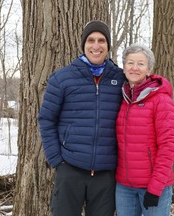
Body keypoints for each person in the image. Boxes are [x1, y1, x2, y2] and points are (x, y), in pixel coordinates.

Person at [38, 20, 125, 216]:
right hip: (70, 168)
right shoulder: (62, 78)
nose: (96, 46)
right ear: (83, 44)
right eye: (91, 40)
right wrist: (57, 160)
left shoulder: (120, 79)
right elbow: (46, 119)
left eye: (102, 40)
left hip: (106, 172)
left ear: (108, 46)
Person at [115, 43, 174, 216]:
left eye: (141, 64)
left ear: (149, 69)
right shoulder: (122, 98)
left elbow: (168, 146)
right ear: (124, 67)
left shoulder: (161, 100)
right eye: (130, 62)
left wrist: (155, 187)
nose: (134, 68)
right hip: (124, 186)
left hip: (153, 186)